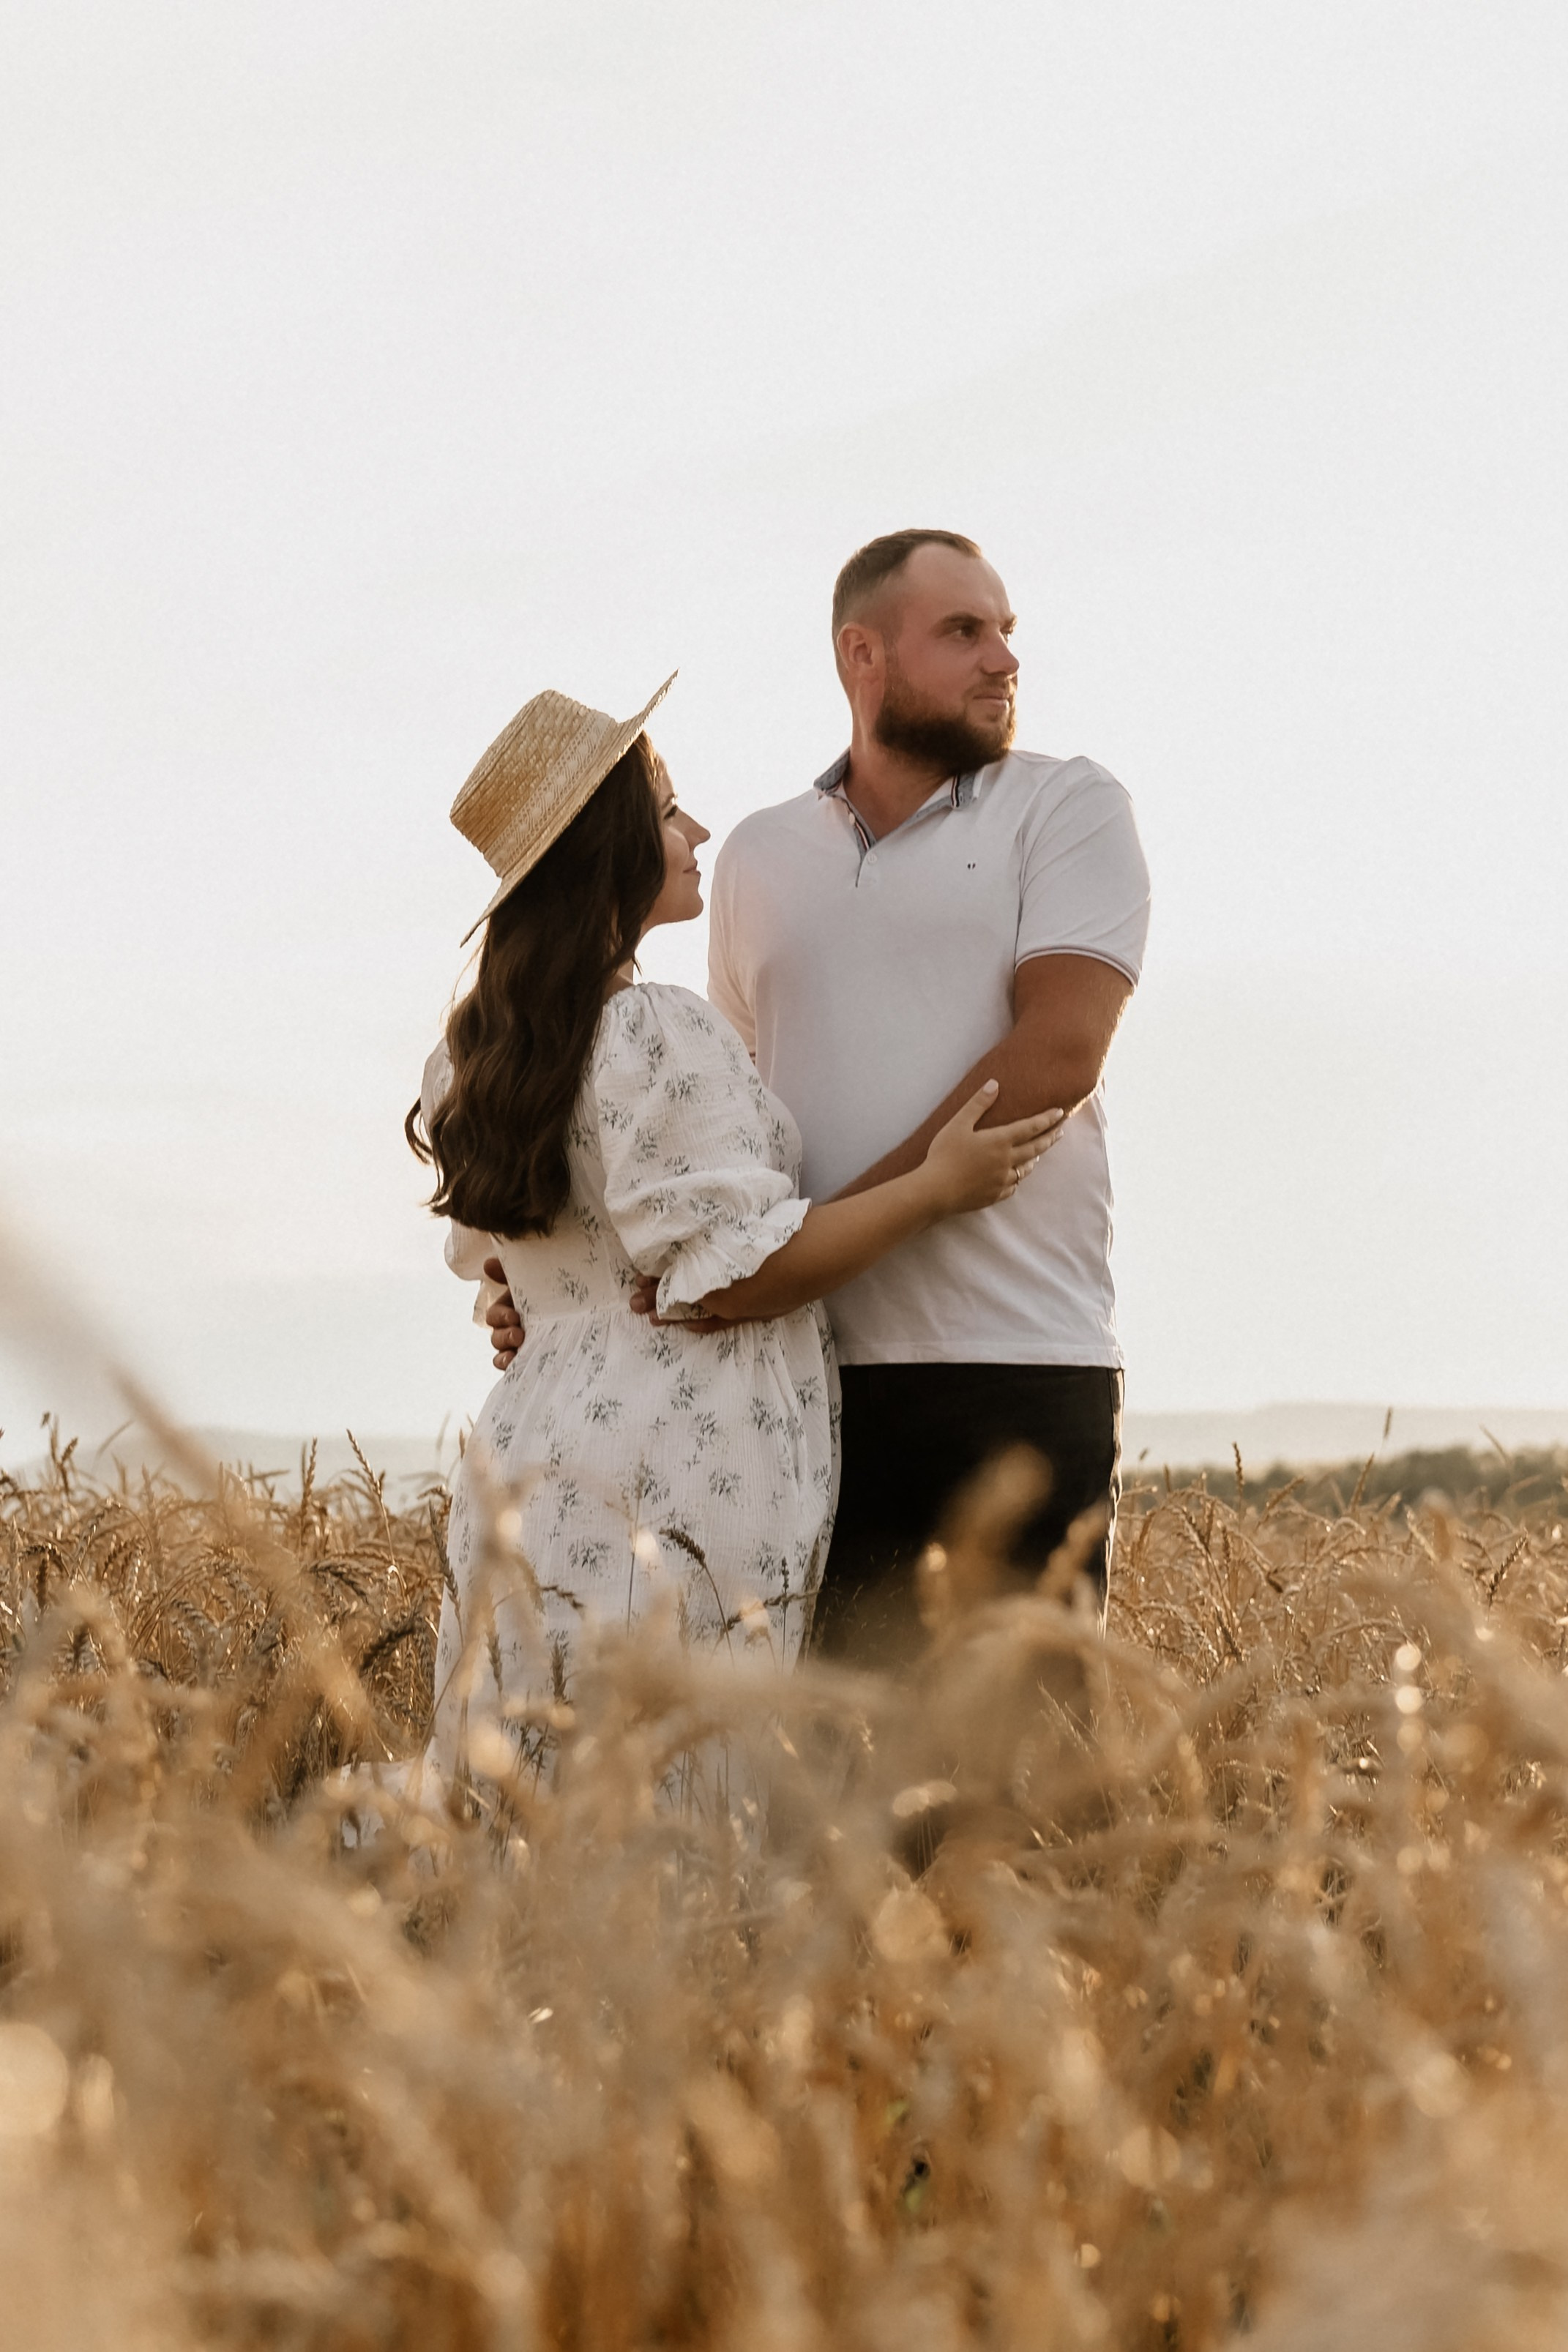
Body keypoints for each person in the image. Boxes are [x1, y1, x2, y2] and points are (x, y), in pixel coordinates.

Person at [485, 531, 1150, 1668]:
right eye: (963, 631)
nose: (1002, 659)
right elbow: (718, 1136)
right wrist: (570, 1287)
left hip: (1011, 1358)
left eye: (1005, 633)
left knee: (1022, 1779)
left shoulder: (1067, 808)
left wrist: (788, 1254)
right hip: (801, 1389)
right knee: (834, 1792)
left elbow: (1059, 1054)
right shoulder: (755, 857)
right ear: (863, 655)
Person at [409, 673, 1061, 1777]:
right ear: (608, 847)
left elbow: (513, 1273)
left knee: (530, 1789)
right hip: (673, 1471)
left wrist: (516, 1306)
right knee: (669, 1793)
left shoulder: (470, 1060)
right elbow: (722, 1278)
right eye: (667, 811)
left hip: (526, 1465)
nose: (697, 829)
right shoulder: (654, 1030)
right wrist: (933, 1188)